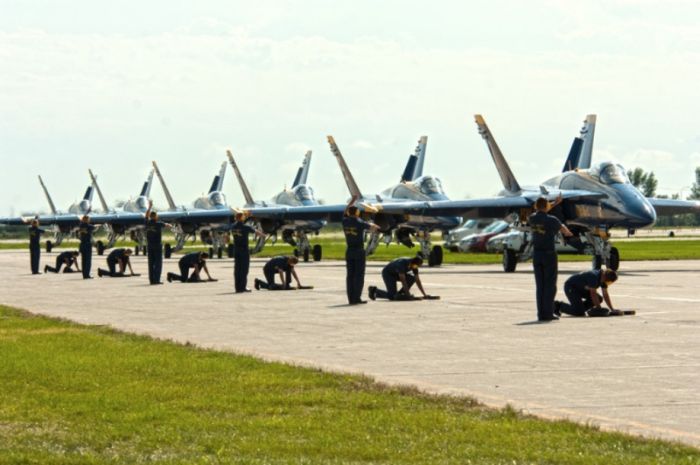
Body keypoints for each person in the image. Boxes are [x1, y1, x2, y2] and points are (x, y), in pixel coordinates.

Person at [529, 196, 573, 321]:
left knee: (540, 286)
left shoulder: (532, 218)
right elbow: (563, 229)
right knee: (550, 285)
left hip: (536, 255)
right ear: (546, 206)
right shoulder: (552, 220)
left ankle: (541, 314)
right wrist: (568, 233)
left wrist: (554, 203)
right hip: (549, 255)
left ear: (536, 206)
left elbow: (542, 210)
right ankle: (548, 314)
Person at [342, 194, 379, 305]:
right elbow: (375, 228)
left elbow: (345, 212)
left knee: (350, 276)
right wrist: (374, 222)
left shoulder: (344, 221)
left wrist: (352, 201)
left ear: (349, 213)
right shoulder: (360, 222)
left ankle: (351, 299)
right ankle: (356, 298)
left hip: (349, 251)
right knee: (359, 275)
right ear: (357, 213)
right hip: (359, 251)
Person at [229, 212, 265, 293]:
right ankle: (242, 287)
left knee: (237, 269)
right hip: (244, 250)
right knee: (244, 269)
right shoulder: (245, 227)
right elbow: (256, 232)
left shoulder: (233, 227)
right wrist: (263, 235)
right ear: (242, 218)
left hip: (236, 250)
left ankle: (237, 288)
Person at [144, 201, 167, 285]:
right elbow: (166, 225)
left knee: (150, 263)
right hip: (157, 246)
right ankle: (156, 280)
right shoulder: (159, 224)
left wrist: (149, 207)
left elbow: (146, 215)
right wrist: (169, 225)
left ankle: (151, 280)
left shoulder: (147, 223)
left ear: (150, 217)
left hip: (149, 246)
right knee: (158, 263)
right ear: (156, 217)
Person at [77, 215, 96, 279]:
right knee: (88, 261)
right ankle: (87, 275)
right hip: (87, 245)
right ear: (87, 220)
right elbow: (94, 228)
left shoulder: (80, 226)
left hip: (82, 245)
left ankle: (84, 275)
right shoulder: (89, 226)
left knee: (83, 261)